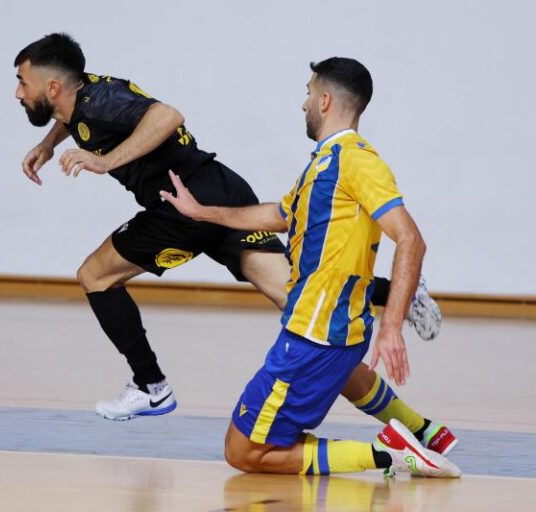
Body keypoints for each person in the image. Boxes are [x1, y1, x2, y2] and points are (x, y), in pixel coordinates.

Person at [12, 34, 451, 457]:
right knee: (307, 310)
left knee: (95, 275)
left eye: (22, 83)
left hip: (178, 208)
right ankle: (398, 308)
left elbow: (168, 115)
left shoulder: (99, 103)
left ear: (53, 87)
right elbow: (75, 119)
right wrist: (49, 144)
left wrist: (104, 162)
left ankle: (151, 386)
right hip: (221, 191)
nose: (17, 93)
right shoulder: (86, 97)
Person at [160, 57, 460, 476]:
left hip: (312, 336)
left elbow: (411, 238)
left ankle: (389, 453)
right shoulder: (323, 163)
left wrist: (392, 324)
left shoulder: (355, 161)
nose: (302, 104)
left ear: (324, 100)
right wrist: (203, 212)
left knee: (242, 451)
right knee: (345, 374)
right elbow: (277, 215)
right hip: (335, 332)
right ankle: (423, 431)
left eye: (307, 93)